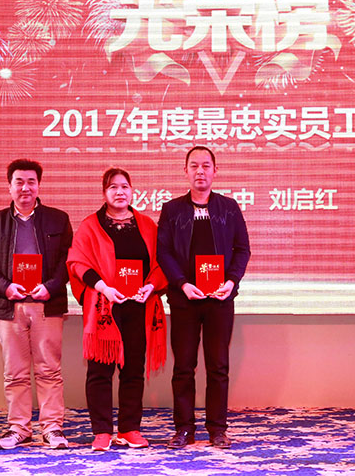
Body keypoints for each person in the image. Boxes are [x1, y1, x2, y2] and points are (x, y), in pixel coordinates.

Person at [66, 168, 168, 451]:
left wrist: (150, 286)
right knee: (99, 371)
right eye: (113, 187)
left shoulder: (147, 225)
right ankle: (101, 431)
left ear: (132, 191)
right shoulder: (90, 226)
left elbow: (161, 263)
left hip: (138, 307)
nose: (120, 192)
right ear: (104, 193)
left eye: (124, 186)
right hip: (104, 307)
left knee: (133, 369)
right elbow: (77, 263)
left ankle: (129, 428)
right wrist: (103, 287)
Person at [157, 146, 251, 449]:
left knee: (218, 366)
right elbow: (163, 252)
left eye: (206, 165)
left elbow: (242, 250)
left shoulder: (229, 208)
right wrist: (183, 284)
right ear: (185, 171)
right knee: (183, 367)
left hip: (219, 300)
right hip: (185, 299)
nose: (200, 171)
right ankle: (184, 429)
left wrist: (231, 282)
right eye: (194, 166)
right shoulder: (172, 209)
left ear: (215, 171)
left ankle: (217, 429)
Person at [0, 159, 73, 450]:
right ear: (10, 186)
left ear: (39, 185)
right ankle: (19, 428)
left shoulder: (58, 219)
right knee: (14, 372)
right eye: (19, 182)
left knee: (49, 370)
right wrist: (6, 287)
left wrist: (50, 287)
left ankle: (52, 428)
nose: (25, 187)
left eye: (31, 181)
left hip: (46, 305)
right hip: (10, 307)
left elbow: (68, 261)